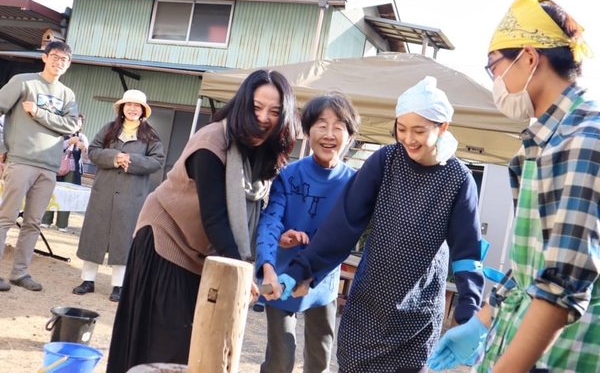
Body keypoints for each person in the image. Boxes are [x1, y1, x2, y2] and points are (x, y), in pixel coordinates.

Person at [427, 0, 599, 373]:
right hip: (518, 342)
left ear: (529, 57)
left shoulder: (583, 140)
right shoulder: (539, 145)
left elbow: (562, 287)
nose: (496, 82)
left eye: (494, 68)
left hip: (560, 355)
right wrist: (482, 321)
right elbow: (529, 266)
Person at [274, 76, 484, 373]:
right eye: (402, 129)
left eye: (419, 131)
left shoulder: (458, 179)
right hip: (368, 306)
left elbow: (467, 252)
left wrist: (469, 313)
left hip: (418, 313)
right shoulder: (385, 161)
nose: (408, 138)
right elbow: (343, 224)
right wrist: (301, 269)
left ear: (442, 127)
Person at [106, 69, 298, 372]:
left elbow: (246, 211)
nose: (263, 118)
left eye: (274, 111)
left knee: (191, 343)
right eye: (256, 107)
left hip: (203, 251)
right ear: (242, 104)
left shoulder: (257, 151)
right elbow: (216, 217)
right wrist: (242, 271)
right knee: (163, 345)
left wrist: (273, 240)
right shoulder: (212, 142)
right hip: (167, 240)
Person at [256, 93, 360, 373]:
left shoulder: (354, 183)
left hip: (322, 281)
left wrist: (312, 278)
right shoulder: (288, 174)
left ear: (350, 136)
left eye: (338, 127)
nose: (329, 134)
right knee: (280, 360)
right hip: (280, 277)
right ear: (307, 131)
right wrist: (270, 259)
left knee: (319, 360)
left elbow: (346, 238)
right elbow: (270, 220)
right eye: (321, 125)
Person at [0, 41, 79, 292]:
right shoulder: (24, 82)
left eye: (64, 59)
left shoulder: (67, 94)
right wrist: (2, 147)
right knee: (5, 218)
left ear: (69, 64)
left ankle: (20, 273)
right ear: (44, 57)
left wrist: (38, 112)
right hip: (21, 160)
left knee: (33, 222)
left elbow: (72, 125)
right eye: (55, 56)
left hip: (49, 166)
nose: (59, 62)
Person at [72, 89, 164, 302]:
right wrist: (114, 157)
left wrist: (131, 160)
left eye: (137, 106)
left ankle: (119, 285)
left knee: (124, 238)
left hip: (131, 195)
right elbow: (93, 151)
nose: (132, 109)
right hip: (104, 191)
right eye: (129, 104)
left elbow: (157, 161)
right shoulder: (109, 129)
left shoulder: (150, 135)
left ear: (143, 111)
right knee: (95, 234)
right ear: (122, 108)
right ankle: (87, 280)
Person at [41, 113, 89, 232]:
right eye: (75, 121)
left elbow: (86, 158)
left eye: (79, 122)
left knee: (67, 195)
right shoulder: (60, 134)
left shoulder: (82, 137)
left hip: (72, 169)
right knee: (51, 192)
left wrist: (83, 149)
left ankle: (62, 224)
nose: (77, 124)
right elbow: (53, 149)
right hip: (55, 167)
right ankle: (46, 220)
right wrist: (68, 142)